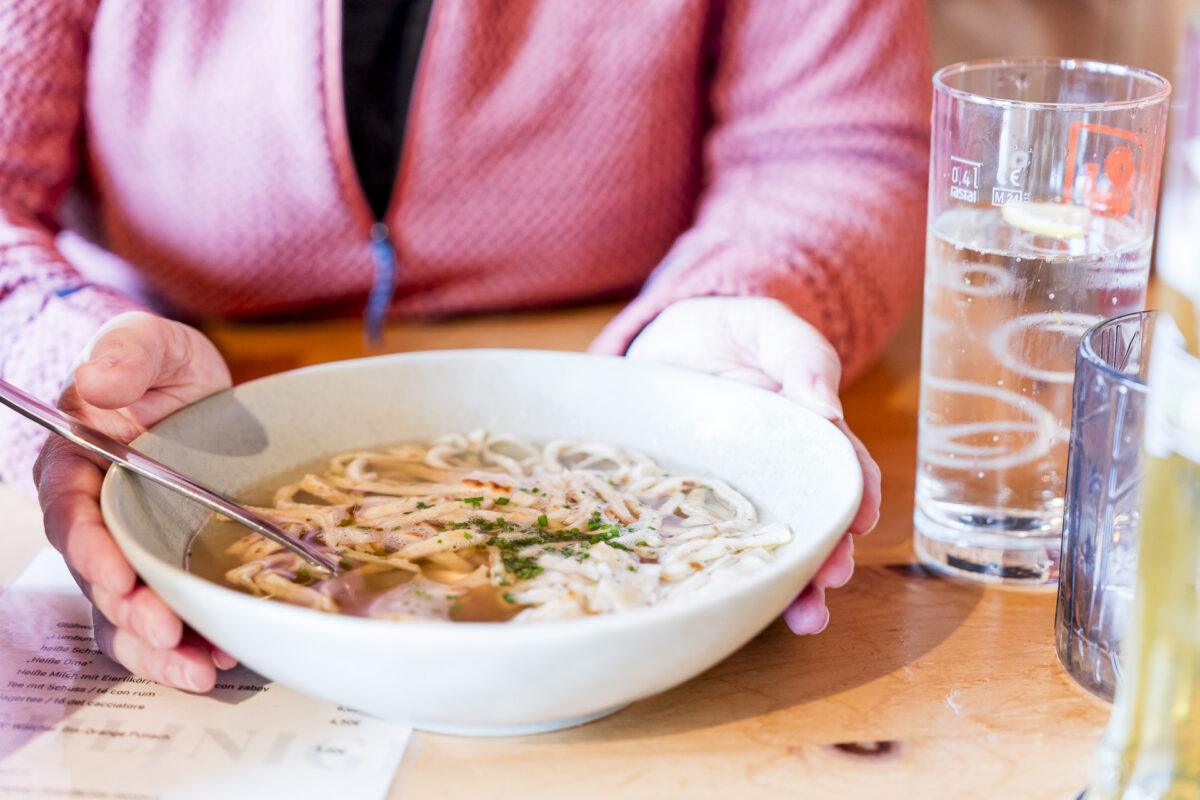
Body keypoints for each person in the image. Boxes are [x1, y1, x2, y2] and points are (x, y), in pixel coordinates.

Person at [6, 0, 929, 693]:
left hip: (625, 353)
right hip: (202, 390)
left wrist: (741, 299)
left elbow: (837, 146)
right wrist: (84, 360)